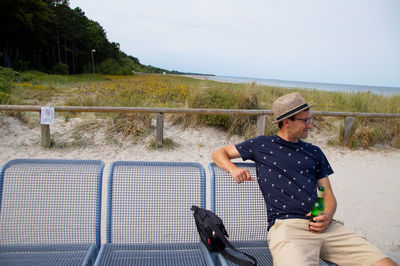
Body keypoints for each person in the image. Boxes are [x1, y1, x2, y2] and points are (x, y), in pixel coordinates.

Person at [211, 92, 397, 266]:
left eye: (310, 119)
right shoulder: (262, 145)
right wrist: (233, 169)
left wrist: (328, 215)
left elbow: (328, 194)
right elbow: (219, 153)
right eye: (305, 120)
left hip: (327, 227)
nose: (310, 125)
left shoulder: (314, 152)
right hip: (288, 229)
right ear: (286, 121)